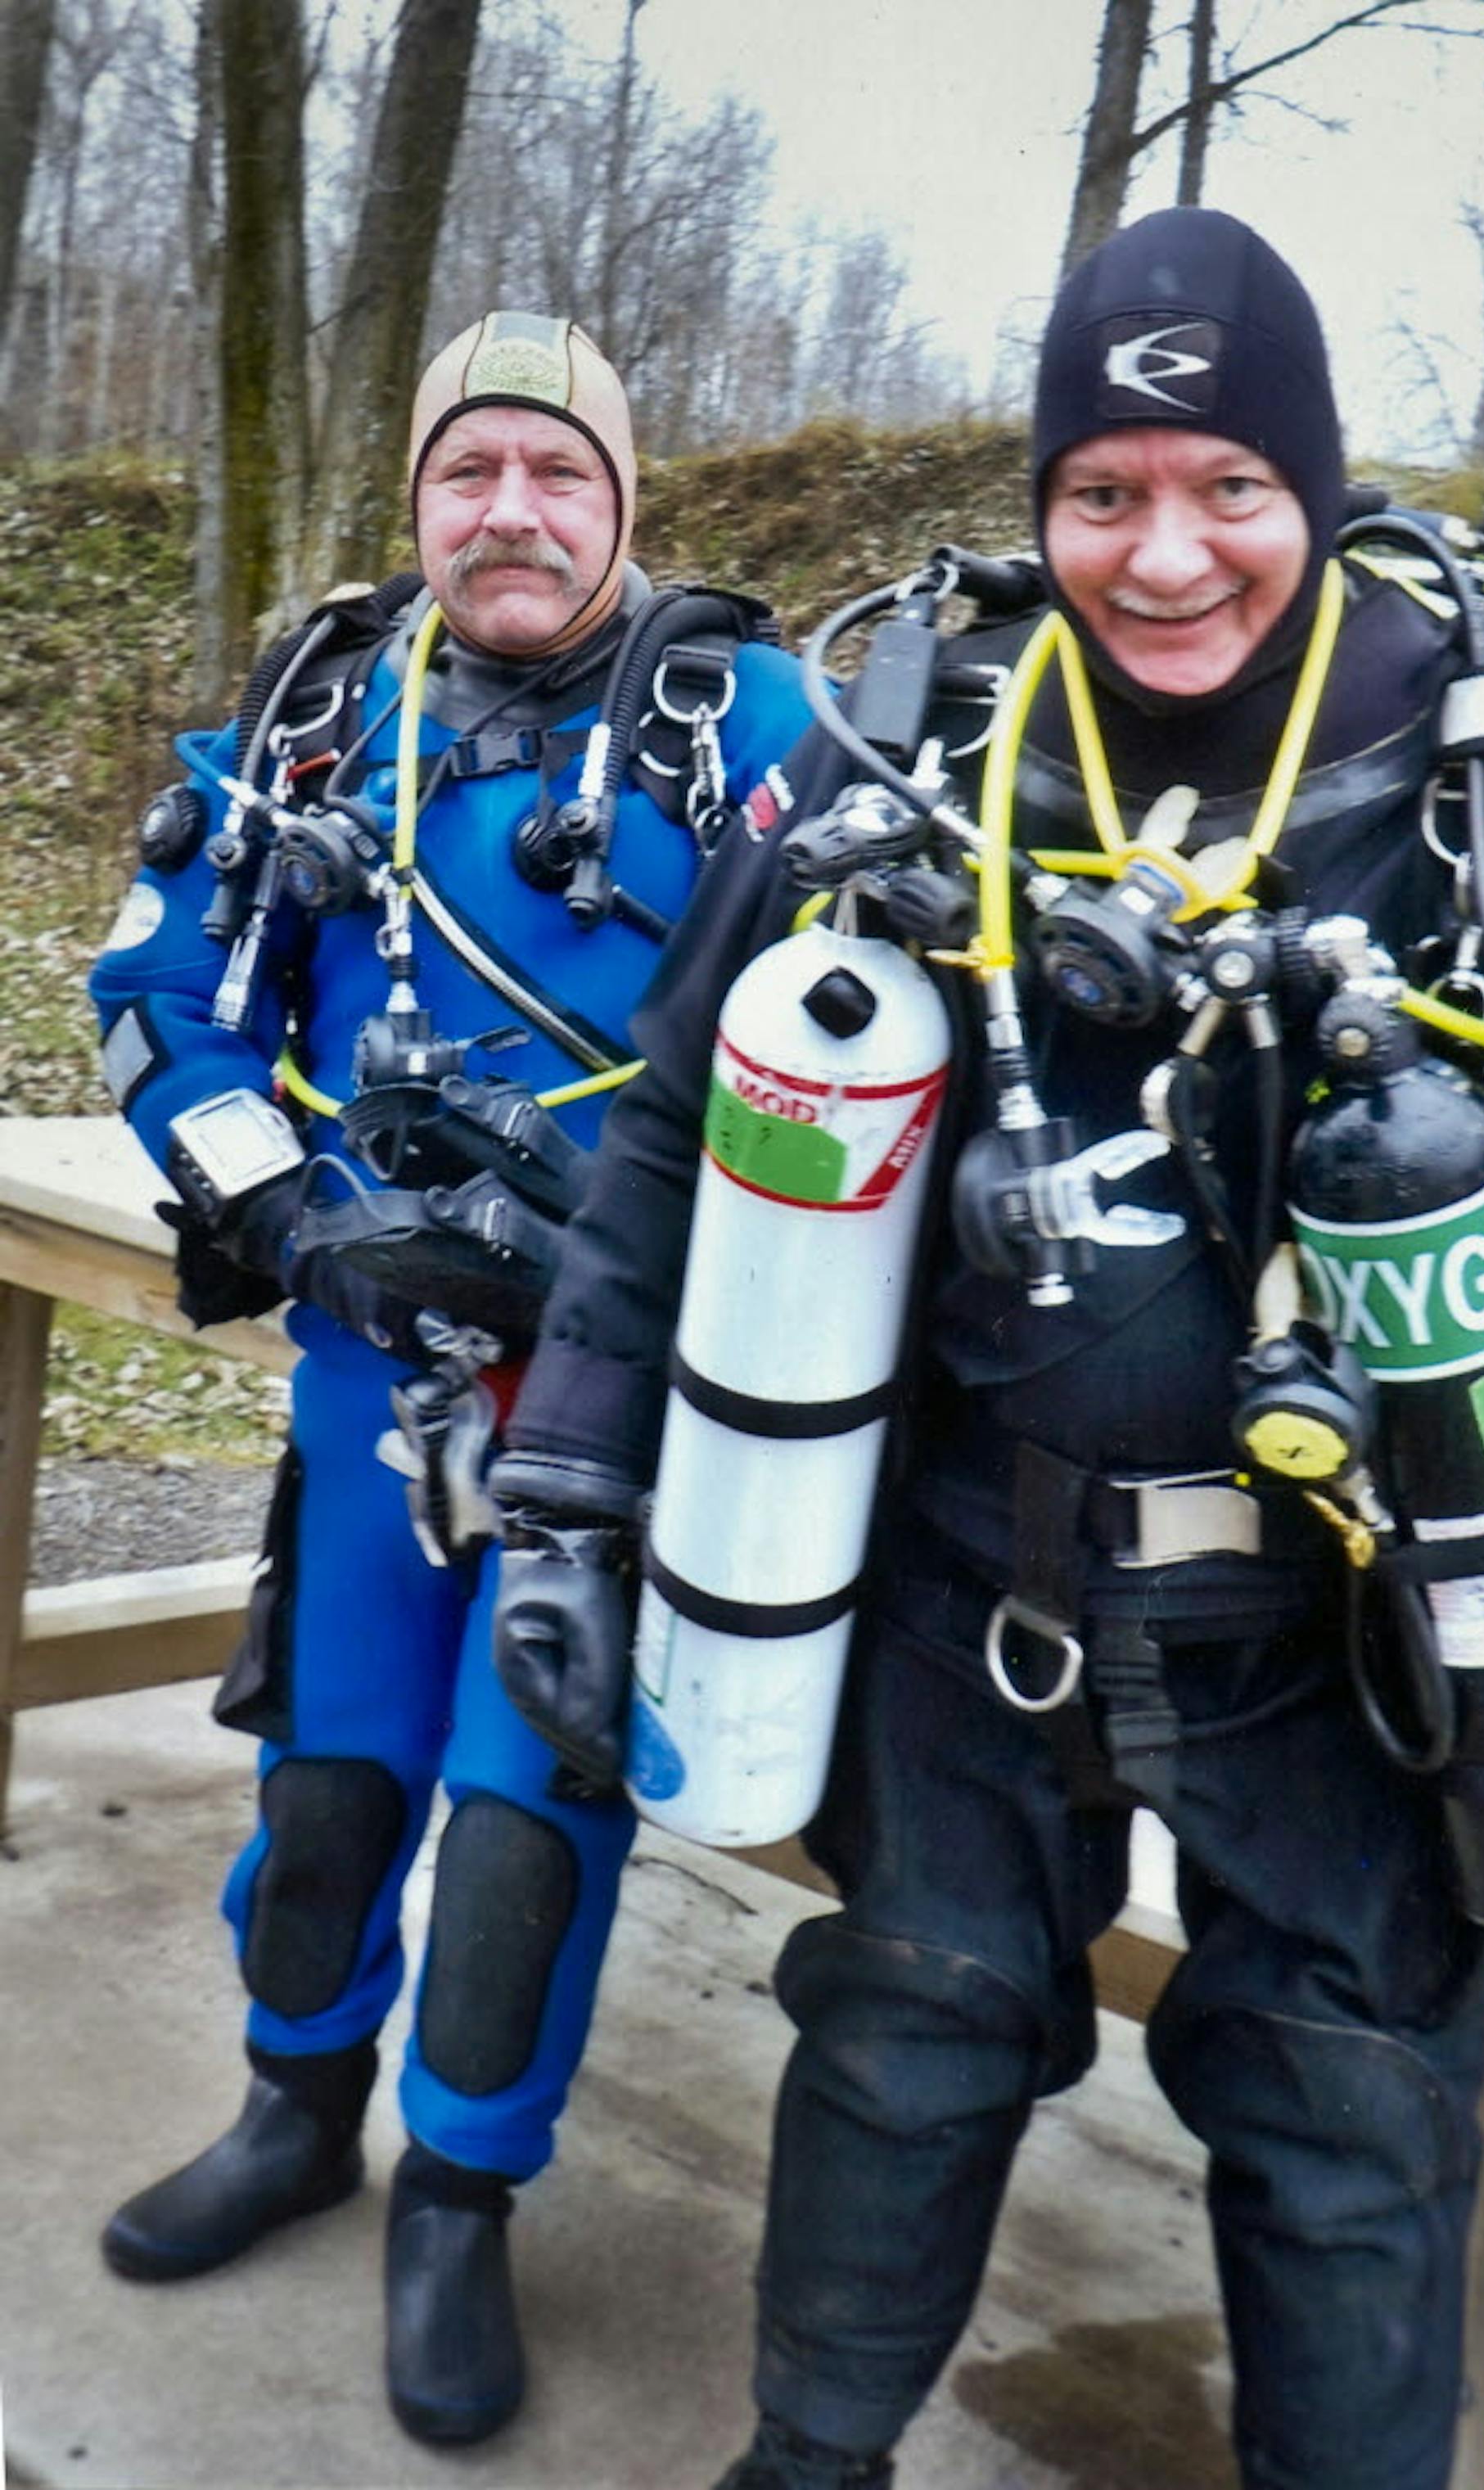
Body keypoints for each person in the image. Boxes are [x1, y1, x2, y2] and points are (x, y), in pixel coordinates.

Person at [488, 213, 1484, 2490]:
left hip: (1366, 1625)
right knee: (905, 2027)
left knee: (1347, 2115)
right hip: (967, 1568)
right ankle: (811, 2455)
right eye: (1104, 491)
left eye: (1228, 486)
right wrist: (572, 1503)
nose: (1164, 553)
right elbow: (679, 1147)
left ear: (1317, 482)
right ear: (1044, 499)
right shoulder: (906, 774)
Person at [87, 308, 811, 2447]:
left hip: (602, 1419)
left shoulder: (741, 722)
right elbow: (157, 1006)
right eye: (466, 472)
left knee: (518, 1831)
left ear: (624, 501)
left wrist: (635, 1256)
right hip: (361, 1374)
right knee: (329, 1783)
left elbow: (875, 1040)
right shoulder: (321, 711)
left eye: (557, 473)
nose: (509, 509)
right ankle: (293, 2104)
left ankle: (460, 2193)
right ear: (417, 499)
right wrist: (296, 1212)